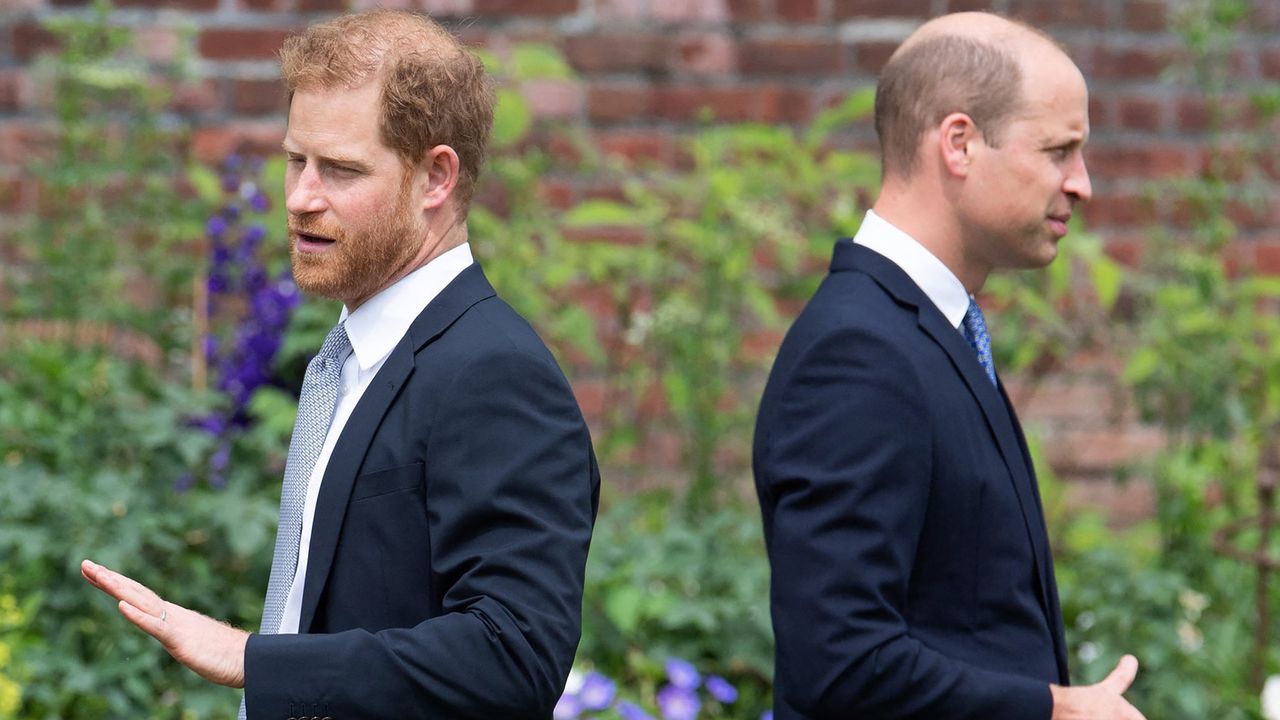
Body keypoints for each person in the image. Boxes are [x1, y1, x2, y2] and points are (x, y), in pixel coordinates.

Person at [81, 10, 600, 718]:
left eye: (341, 170)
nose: (300, 198)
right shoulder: (352, 356)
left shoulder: (493, 373)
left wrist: (249, 658)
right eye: (296, 159)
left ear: (435, 178)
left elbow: (514, 654)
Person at [752, 12, 1145, 720]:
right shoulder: (860, 355)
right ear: (959, 143)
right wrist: (1056, 709)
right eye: (1059, 150)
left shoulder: (930, 332)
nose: (1081, 184)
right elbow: (838, 665)